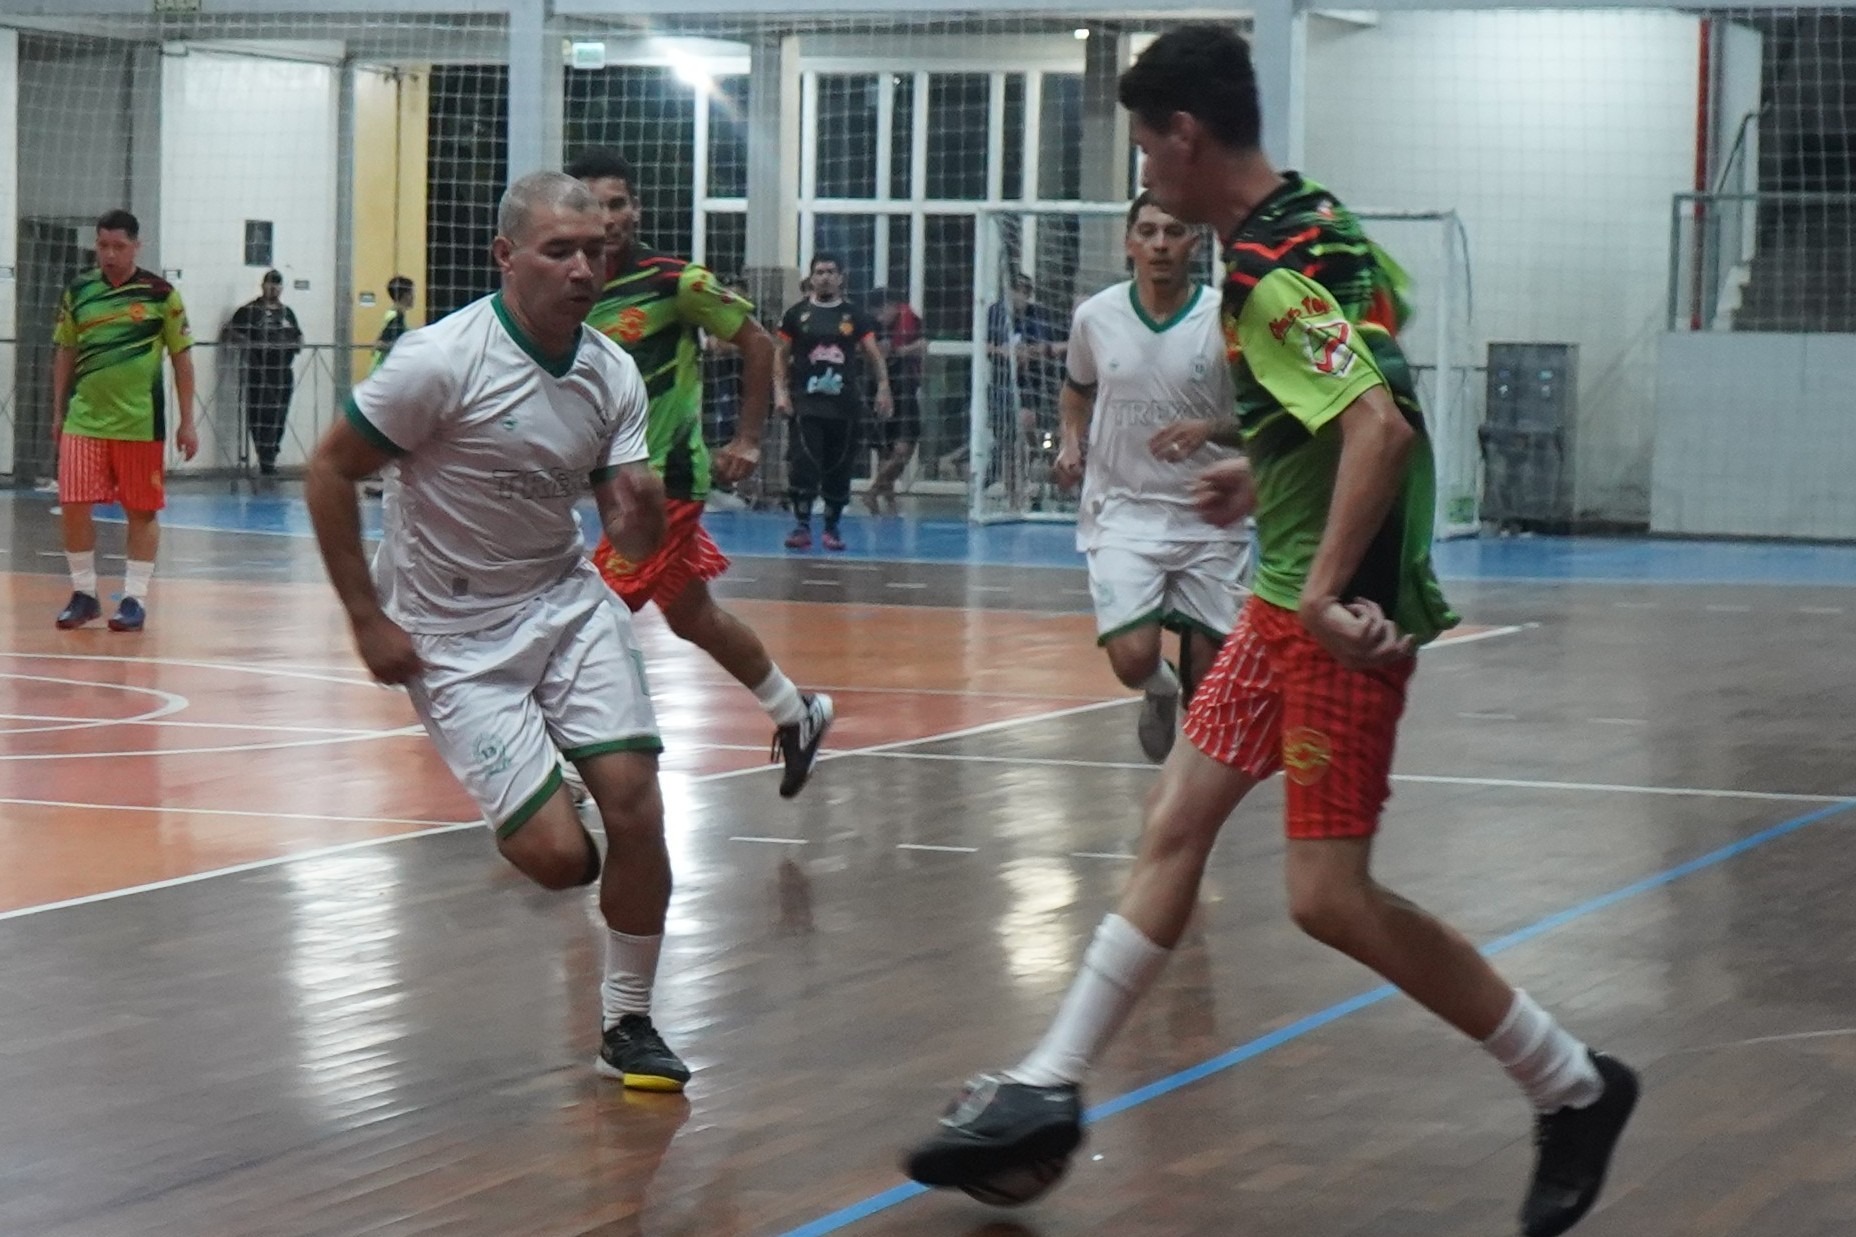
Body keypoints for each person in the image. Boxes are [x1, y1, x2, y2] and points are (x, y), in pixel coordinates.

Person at [901, 28, 1638, 1237]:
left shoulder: (1260, 273)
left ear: (1183, 136)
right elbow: (1377, 368)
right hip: (1282, 593)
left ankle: (1572, 1084)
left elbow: (1381, 430)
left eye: (1146, 145)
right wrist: (1266, 467)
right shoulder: (1321, 225)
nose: (1145, 174)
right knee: (1174, 823)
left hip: (1331, 618)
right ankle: (1044, 1088)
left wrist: (1322, 585)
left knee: (1327, 899)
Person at [304, 171, 692, 1092]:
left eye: (596, 250)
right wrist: (366, 617)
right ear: (505, 256)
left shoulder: (610, 371)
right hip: (450, 633)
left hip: (564, 600)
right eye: (560, 249)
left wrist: (639, 517)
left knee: (637, 804)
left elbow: (627, 531)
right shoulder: (438, 363)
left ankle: (628, 1020)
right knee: (563, 862)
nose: (583, 268)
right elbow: (327, 471)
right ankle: (547, 787)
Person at [567, 148, 834, 798]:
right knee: (692, 615)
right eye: (596, 204)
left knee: (585, 617)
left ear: (637, 208)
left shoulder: (674, 281)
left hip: (667, 483)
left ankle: (559, 770)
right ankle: (796, 713)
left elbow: (759, 342)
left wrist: (746, 437)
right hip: (612, 488)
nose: (610, 217)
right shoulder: (571, 287)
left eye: (620, 202)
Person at [1055, 191, 1250, 763]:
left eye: (1173, 230)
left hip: (1210, 514)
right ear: (1129, 244)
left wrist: (1210, 428)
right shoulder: (1094, 317)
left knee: (1211, 688)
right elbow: (1076, 391)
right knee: (1132, 660)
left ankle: (1185, 814)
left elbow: (1264, 421)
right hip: (1122, 510)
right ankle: (1157, 690)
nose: (1160, 243)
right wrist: (1071, 442)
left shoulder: (1223, 318)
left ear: (1195, 241)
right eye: (1148, 231)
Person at [51, 208, 199, 632]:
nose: (110, 254)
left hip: (139, 424)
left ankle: (133, 599)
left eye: (118, 246)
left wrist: (187, 421)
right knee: (74, 504)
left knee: (141, 511)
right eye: (102, 246)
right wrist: (58, 411)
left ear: (137, 246)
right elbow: (64, 351)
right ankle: (83, 594)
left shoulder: (160, 294)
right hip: (85, 420)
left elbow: (182, 359)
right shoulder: (79, 291)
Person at [773, 253, 892, 550]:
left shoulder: (854, 315)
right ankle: (801, 525)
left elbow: (873, 353)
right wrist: (780, 392)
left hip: (844, 405)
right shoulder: (796, 314)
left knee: (839, 465)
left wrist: (883, 386)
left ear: (841, 277)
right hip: (806, 403)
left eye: (830, 271)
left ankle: (832, 526)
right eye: (819, 272)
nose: (824, 277)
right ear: (811, 277)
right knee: (803, 463)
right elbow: (780, 355)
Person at [985, 272, 1065, 505]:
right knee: (1008, 440)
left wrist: (1029, 352)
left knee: (1026, 422)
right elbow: (985, 344)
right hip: (1002, 383)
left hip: (1032, 383)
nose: (1018, 297)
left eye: (1023, 292)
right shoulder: (995, 314)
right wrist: (1006, 352)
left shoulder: (1038, 316)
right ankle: (1014, 493)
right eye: (1015, 291)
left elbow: (1050, 346)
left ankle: (1037, 460)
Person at [223, 269, 303, 476]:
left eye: (277, 284)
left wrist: (294, 343)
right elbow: (229, 332)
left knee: (279, 414)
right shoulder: (250, 311)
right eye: (270, 284)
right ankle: (264, 454)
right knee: (260, 413)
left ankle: (271, 454)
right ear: (263, 286)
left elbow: (299, 336)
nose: (273, 288)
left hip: (283, 371)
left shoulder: (287, 313)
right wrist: (247, 343)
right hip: (259, 370)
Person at [862, 287, 927, 515]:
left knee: (903, 449)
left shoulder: (910, 318)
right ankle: (886, 502)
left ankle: (872, 492)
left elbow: (922, 346)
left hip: (904, 387)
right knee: (885, 450)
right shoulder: (870, 325)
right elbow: (871, 352)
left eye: (882, 312)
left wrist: (899, 351)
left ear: (892, 305)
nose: (880, 318)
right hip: (878, 388)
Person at [372, 275, 415, 371]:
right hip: (383, 369)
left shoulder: (393, 313)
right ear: (405, 295)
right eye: (412, 293)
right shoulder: (397, 317)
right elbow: (380, 344)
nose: (413, 297)